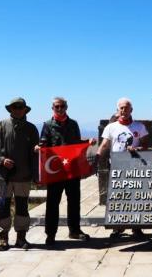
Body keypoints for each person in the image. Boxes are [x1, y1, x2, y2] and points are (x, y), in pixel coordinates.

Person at [0, 97, 39, 251]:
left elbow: (36, 153)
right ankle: (3, 238)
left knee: (22, 207)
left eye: (20, 107)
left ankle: (21, 237)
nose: (17, 109)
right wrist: (1, 160)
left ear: (24, 109)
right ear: (10, 109)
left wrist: (36, 154)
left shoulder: (31, 129)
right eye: (15, 107)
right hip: (4, 176)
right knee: (3, 207)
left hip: (23, 176)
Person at [38, 97, 90, 246]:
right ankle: (50, 234)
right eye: (56, 107)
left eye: (62, 106)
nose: (59, 109)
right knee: (52, 203)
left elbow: (77, 144)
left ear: (66, 107)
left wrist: (87, 143)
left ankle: (74, 230)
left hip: (72, 170)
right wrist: (39, 148)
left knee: (74, 201)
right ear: (52, 108)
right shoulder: (47, 125)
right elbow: (44, 144)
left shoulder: (73, 124)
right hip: (55, 172)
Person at [98, 97, 149, 240]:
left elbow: (145, 145)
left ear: (131, 110)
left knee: (136, 198)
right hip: (116, 166)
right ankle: (118, 227)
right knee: (118, 199)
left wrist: (137, 148)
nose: (123, 110)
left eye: (126, 108)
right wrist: (97, 156)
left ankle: (136, 227)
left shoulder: (139, 127)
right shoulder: (111, 127)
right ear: (117, 110)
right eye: (121, 108)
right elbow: (104, 145)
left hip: (135, 166)